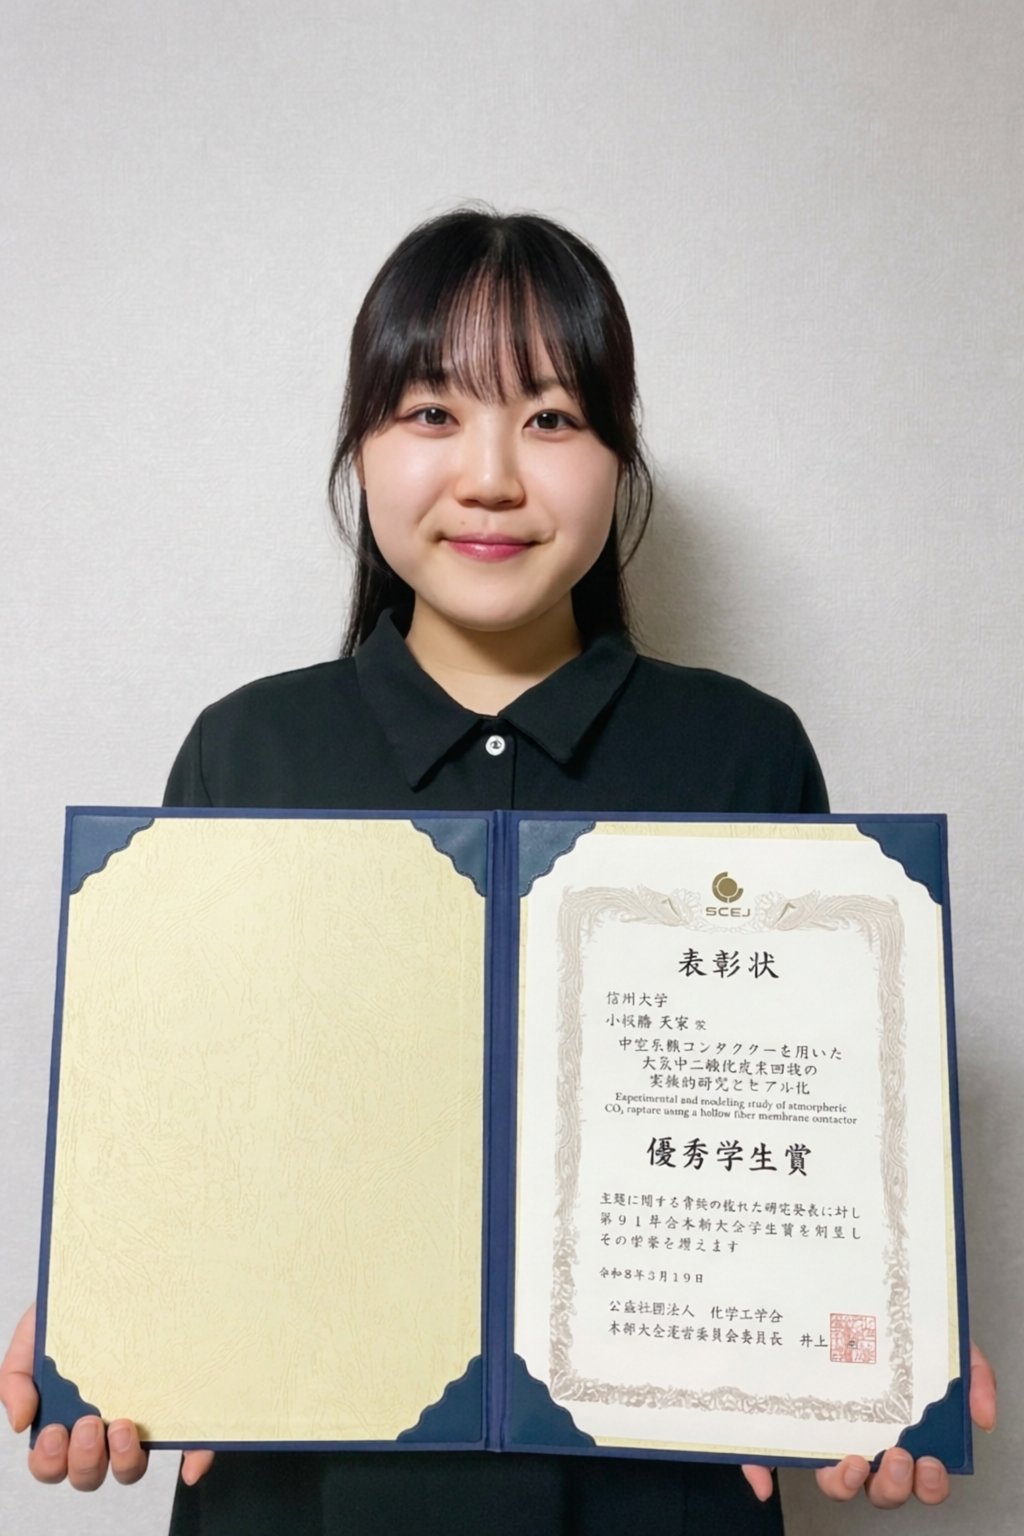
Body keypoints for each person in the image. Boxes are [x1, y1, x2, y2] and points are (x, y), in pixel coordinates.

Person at [0, 206, 996, 1533]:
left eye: (552, 418)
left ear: (619, 457)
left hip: (654, 1503)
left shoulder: (743, 754)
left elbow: (819, 1133)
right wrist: (107, 1311)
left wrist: (884, 1331)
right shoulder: (246, 751)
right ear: (358, 447)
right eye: (431, 412)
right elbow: (184, 1137)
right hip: (307, 1498)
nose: (490, 476)